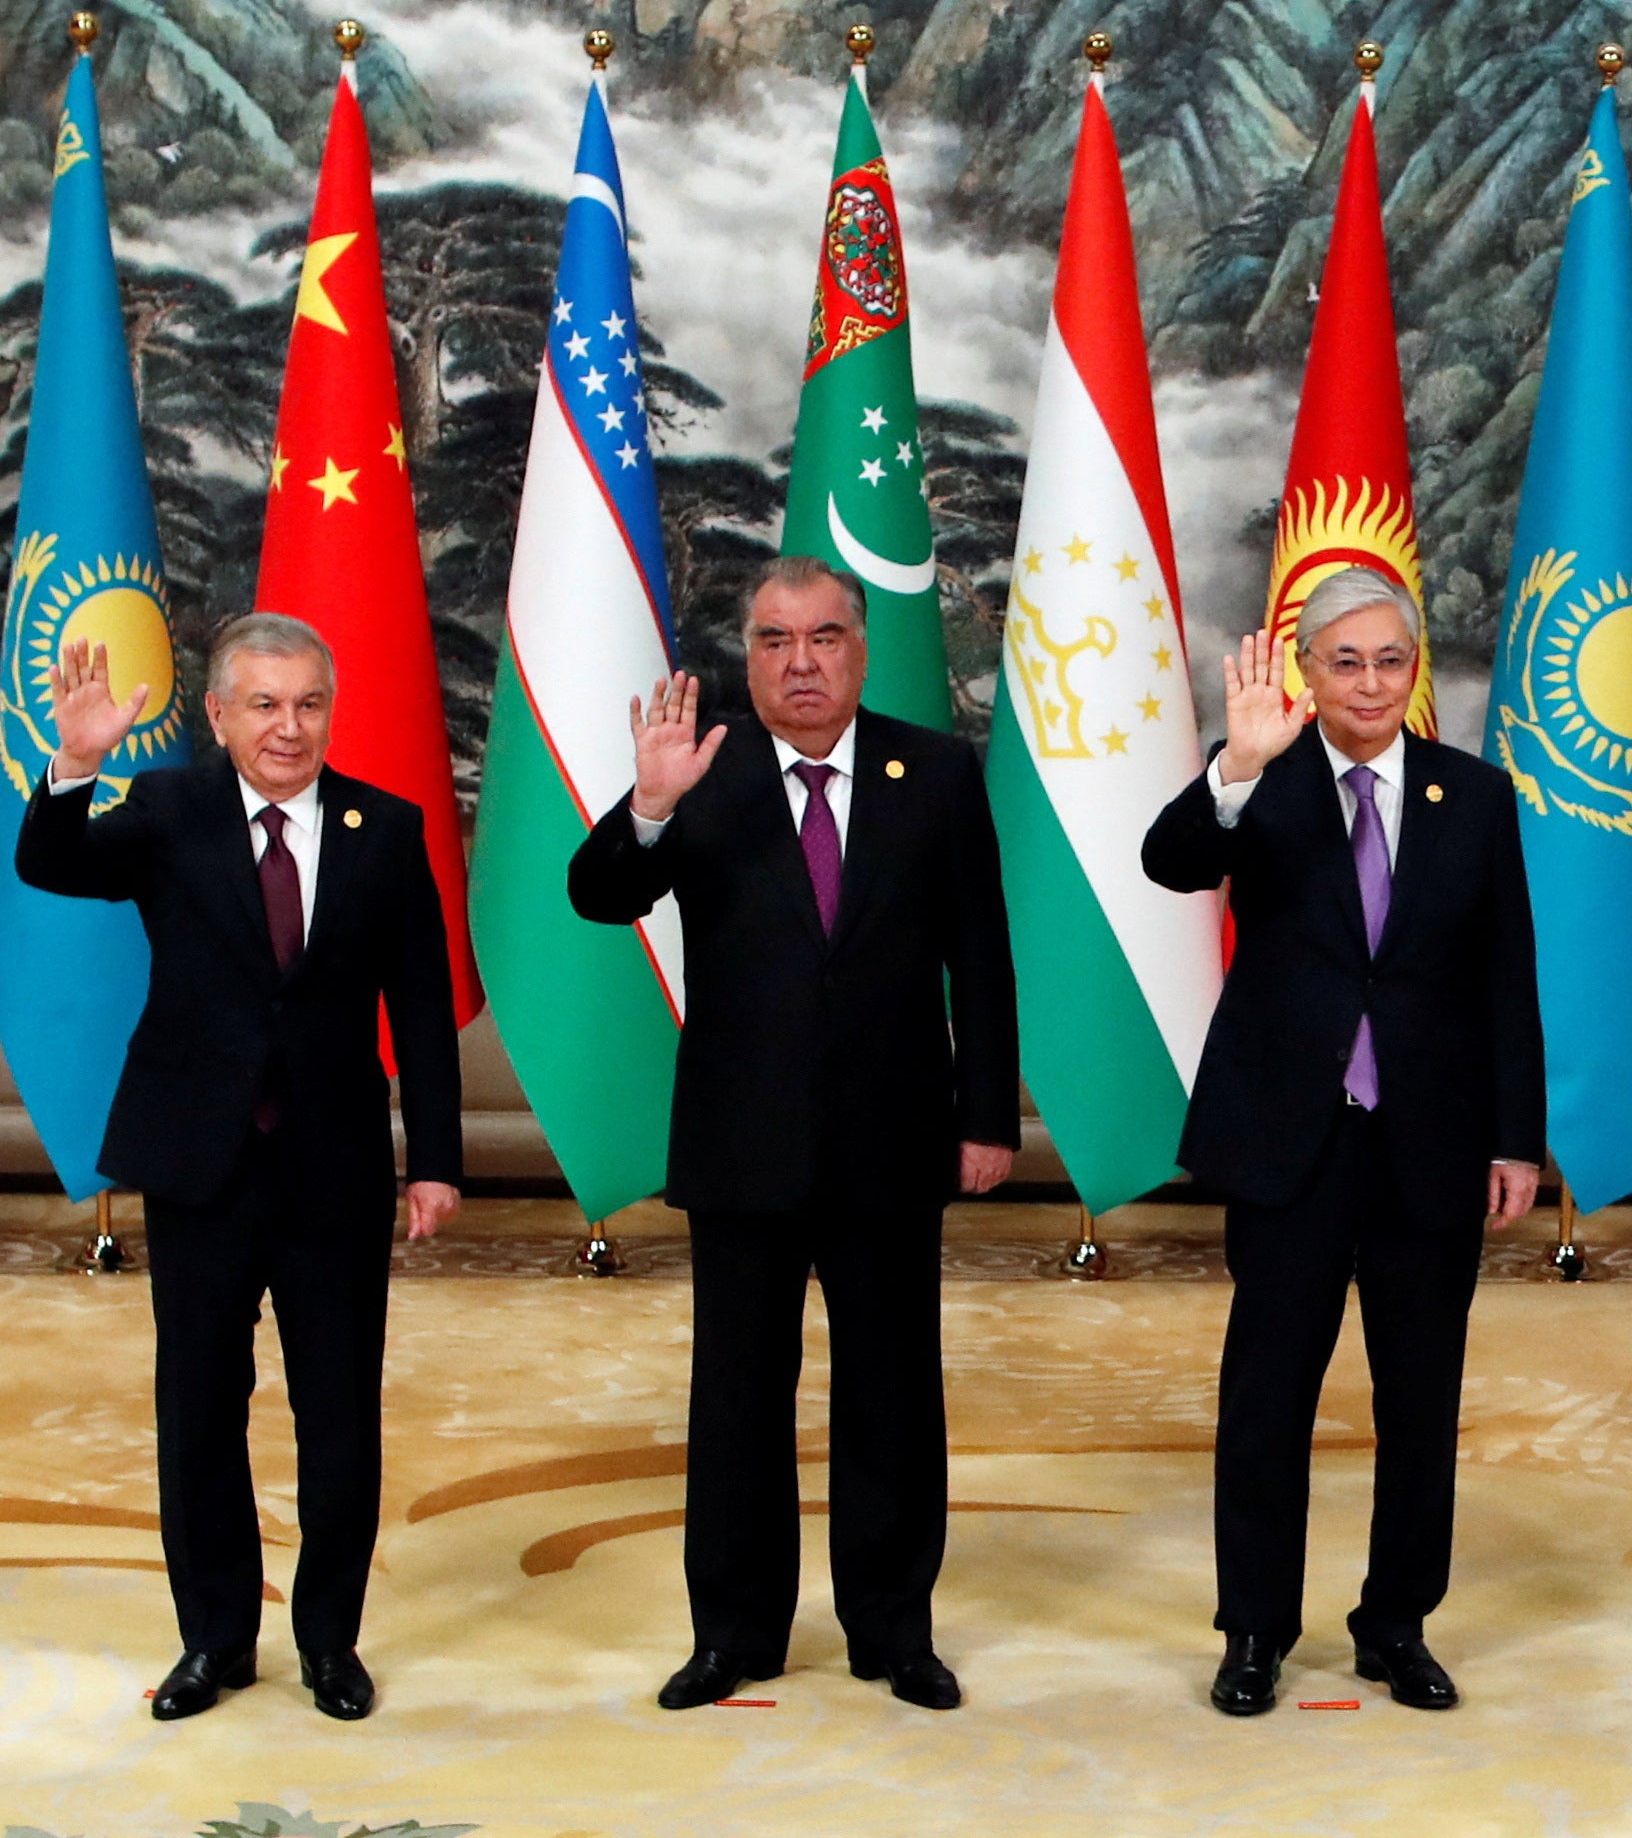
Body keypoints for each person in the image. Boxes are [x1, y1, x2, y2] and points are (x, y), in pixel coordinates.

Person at [566, 556, 1019, 1714]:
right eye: (774, 640)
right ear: (746, 655)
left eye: (824, 637)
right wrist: (650, 806)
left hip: (893, 1139)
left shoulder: (939, 771)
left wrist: (986, 1117)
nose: (801, 661)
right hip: (742, 1142)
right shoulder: (699, 771)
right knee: (737, 1400)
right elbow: (597, 895)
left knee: (892, 1396)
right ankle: (732, 1634)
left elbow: (983, 955)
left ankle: (891, 1630)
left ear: (861, 648)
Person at [18, 614, 462, 1725]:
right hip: (199, 1162)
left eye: (308, 703)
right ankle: (214, 1642)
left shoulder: (385, 826)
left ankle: (329, 1644)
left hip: (336, 1171)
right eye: (262, 704)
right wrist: (76, 765)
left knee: (338, 1416)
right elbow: (51, 862)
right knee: (201, 1411)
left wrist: (437, 1162)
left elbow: (419, 1005)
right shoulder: (168, 813)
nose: (288, 726)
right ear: (217, 716)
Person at [1142, 566, 1544, 1718]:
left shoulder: (1475, 796)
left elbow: (1504, 975)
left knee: (1419, 1403)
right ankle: (1254, 1630)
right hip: (1289, 1143)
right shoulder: (1258, 782)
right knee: (1266, 1398)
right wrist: (1234, 766)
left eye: (1389, 661)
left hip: (1430, 1143)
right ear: (1306, 672)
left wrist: (1516, 1138)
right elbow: (1169, 862)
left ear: (1416, 673)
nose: (1368, 682)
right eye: (1344, 660)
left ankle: (1397, 1624)